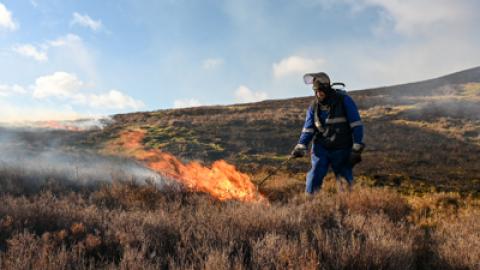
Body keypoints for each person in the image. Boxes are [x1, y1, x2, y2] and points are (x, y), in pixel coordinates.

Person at [291, 72, 364, 194]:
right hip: (321, 148)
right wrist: (301, 145)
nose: (319, 94)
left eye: (321, 90)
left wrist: (357, 147)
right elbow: (308, 129)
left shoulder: (344, 100)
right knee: (314, 175)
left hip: (342, 147)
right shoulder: (313, 107)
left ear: (327, 88)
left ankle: (349, 207)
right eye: (316, 91)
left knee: (344, 180)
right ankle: (310, 205)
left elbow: (356, 124)